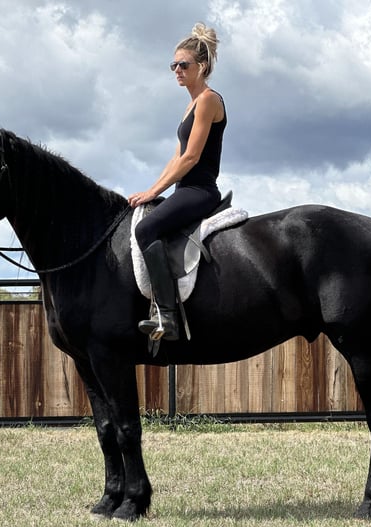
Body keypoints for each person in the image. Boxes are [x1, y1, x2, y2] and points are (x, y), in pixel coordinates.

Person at [127, 23, 227, 342]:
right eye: (174, 65)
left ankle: (167, 316)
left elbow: (190, 159)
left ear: (203, 66)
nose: (177, 71)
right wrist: (150, 191)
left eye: (184, 65)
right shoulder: (190, 105)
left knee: (145, 230)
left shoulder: (209, 100)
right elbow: (175, 158)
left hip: (200, 191)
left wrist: (154, 192)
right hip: (184, 190)